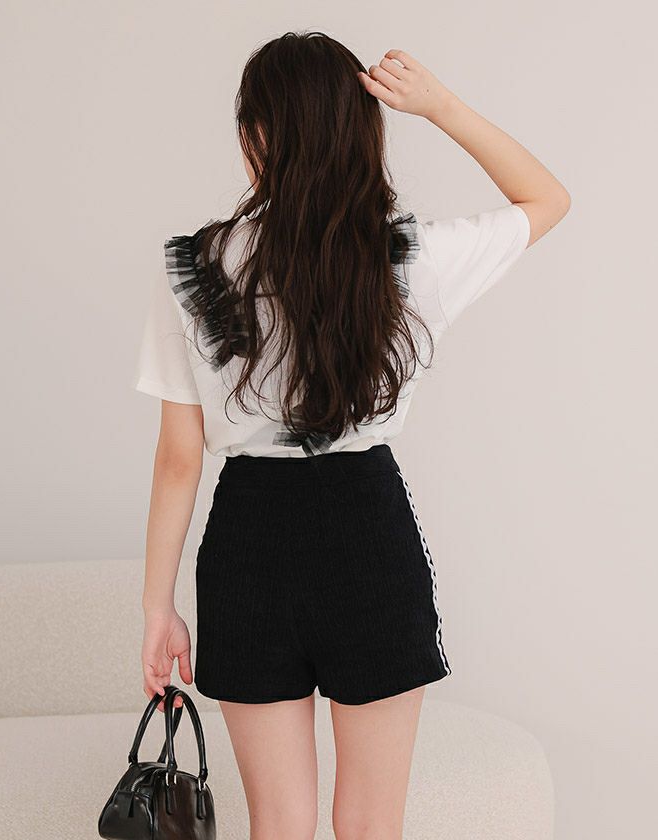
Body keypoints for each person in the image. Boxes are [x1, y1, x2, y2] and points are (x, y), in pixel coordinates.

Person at [133, 31, 570, 840]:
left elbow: (178, 460)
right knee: (371, 824)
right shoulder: (408, 259)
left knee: (279, 823)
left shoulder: (194, 266)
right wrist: (439, 106)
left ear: (254, 137)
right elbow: (546, 198)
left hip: (247, 543)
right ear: (361, 132)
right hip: (367, 532)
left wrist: (159, 607)